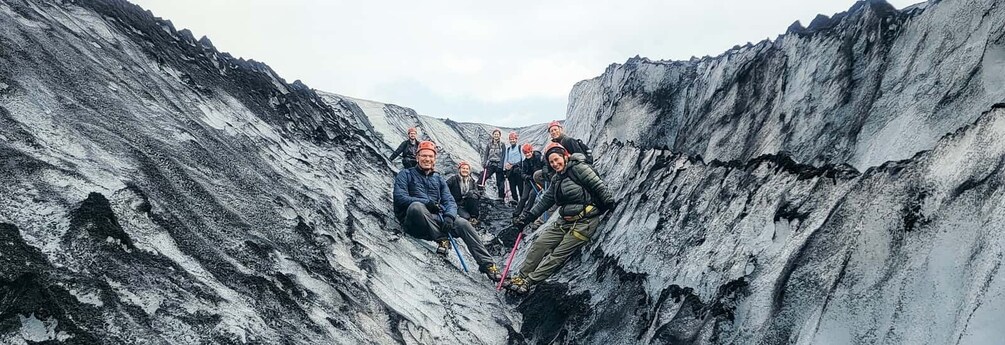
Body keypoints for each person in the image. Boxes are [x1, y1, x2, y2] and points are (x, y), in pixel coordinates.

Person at [504, 143, 616, 294]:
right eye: (551, 162)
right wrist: (528, 218)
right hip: (564, 221)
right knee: (539, 243)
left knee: (557, 255)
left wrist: (609, 204)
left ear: (565, 156)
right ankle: (520, 276)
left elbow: (598, 186)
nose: (555, 164)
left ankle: (529, 281)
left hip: (585, 222)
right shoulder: (557, 178)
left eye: (557, 159)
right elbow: (545, 201)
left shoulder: (579, 168)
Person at [393, 141, 502, 281]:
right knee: (416, 206)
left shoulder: (438, 178)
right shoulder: (405, 174)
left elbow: (449, 201)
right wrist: (426, 203)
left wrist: (450, 216)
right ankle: (442, 240)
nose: (427, 159)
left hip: (435, 220)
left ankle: (488, 265)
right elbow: (399, 197)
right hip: (415, 222)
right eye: (424, 155)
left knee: (463, 223)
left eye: (430, 156)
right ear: (417, 156)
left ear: (434, 159)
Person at [446, 161, 481, 225]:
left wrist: (471, 193)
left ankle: (474, 218)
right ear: (459, 170)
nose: (465, 170)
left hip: (467, 203)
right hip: (456, 204)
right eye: (463, 168)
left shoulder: (472, 181)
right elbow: (444, 189)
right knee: (466, 217)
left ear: (469, 171)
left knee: (474, 196)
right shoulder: (453, 179)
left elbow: (478, 194)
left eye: (467, 169)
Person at [514, 143, 543, 217]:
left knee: (532, 194)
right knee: (523, 197)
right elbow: (522, 173)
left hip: (538, 181)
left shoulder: (538, 158)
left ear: (532, 151)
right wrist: (526, 177)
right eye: (526, 153)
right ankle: (516, 214)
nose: (527, 154)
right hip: (529, 181)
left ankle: (525, 213)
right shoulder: (525, 162)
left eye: (529, 152)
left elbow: (543, 168)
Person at [481, 129, 507, 199]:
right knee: (483, 176)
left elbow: (504, 155)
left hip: (499, 165)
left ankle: (501, 197)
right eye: (495, 134)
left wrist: (501, 165)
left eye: (497, 134)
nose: (496, 135)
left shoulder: (502, 145)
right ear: (493, 135)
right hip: (491, 164)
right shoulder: (489, 144)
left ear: (500, 136)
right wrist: (485, 162)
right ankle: (480, 192)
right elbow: (486, 154)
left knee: (500, 182)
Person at [502, 132, 524, 203]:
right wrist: (504, 169)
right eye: (511, 139)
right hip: (510, 171)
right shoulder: (508, 149)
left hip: (518, 170)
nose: (512, 141)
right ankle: (515, 202)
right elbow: (506, 159)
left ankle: (522, 203)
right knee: (512, 188)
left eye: (514, 139)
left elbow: (522, 159)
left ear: (516, 139)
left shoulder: (520, 147)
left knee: (521, 188)